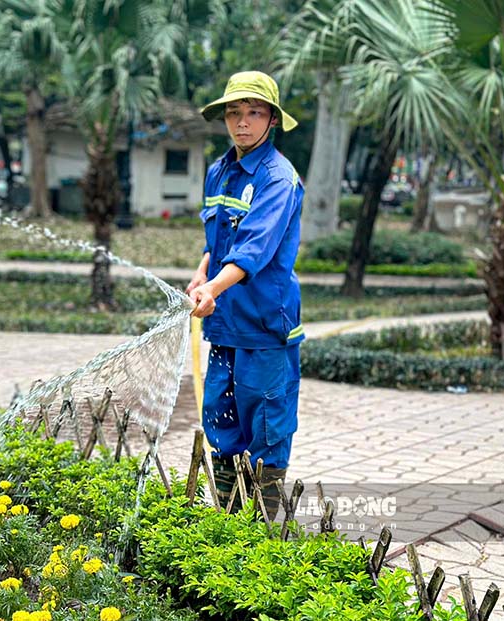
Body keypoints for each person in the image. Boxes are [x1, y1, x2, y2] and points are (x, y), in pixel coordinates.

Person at [187, 71, 305, 517]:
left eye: (254, 113)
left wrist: (213, 287)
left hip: (265, 325)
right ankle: (226, 522)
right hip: (224, 324)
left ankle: (260, 527)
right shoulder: (218, 172)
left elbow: (254, 247)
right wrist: (202, 273)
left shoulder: (278, 178)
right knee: (220, 421)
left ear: (272, 120)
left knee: (267, 428)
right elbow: (218, 241)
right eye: (234, 113)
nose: (242, 122)